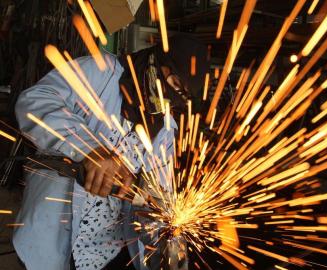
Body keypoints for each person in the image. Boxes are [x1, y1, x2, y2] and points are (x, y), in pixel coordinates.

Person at [13, 35, 210, 270]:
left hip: (107, 253)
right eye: (174, 82)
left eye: (183, 94)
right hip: (51, 236)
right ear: (158, 61)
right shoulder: (101, 71)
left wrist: (168, 235)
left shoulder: (166, 131)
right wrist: (88, 148)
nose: (172, 96)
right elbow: (34, 100)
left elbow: (154, 197)